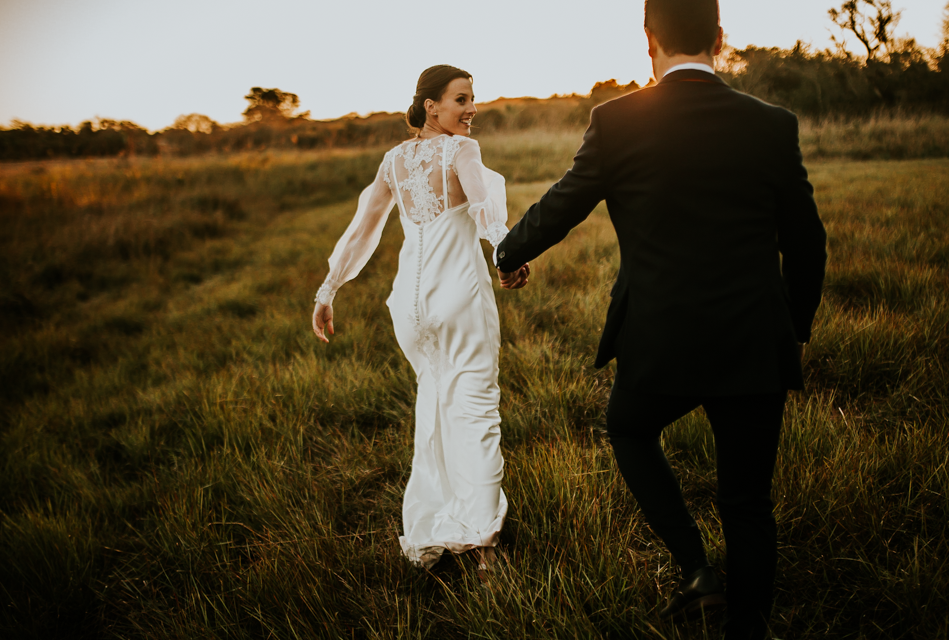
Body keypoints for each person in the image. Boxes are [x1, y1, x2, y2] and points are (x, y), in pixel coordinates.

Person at [494, 0, 827, 637]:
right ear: (720, 39)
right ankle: (748, 628)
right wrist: (795, 328)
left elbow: (565, 203)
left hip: (660, 342)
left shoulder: (619, 121)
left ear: (649, 40)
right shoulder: (770, 124)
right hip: (755, 342)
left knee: (628, 429)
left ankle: (697, 569)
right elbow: (807, 242)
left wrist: (509, 251)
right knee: (748, 502)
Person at [312, 65, 529, 571]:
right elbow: (485, 212)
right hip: (457, 295)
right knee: (475, 413)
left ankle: (440, 521)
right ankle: (484, 548)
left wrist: (329, 289)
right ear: (431, 106)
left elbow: (362, 228)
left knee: (435, 407)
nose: (471, 108)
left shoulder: (393, 161)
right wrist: (505, 255)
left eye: (473, 99)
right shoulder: (462, 151)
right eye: (461, 99)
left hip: (410, 307)